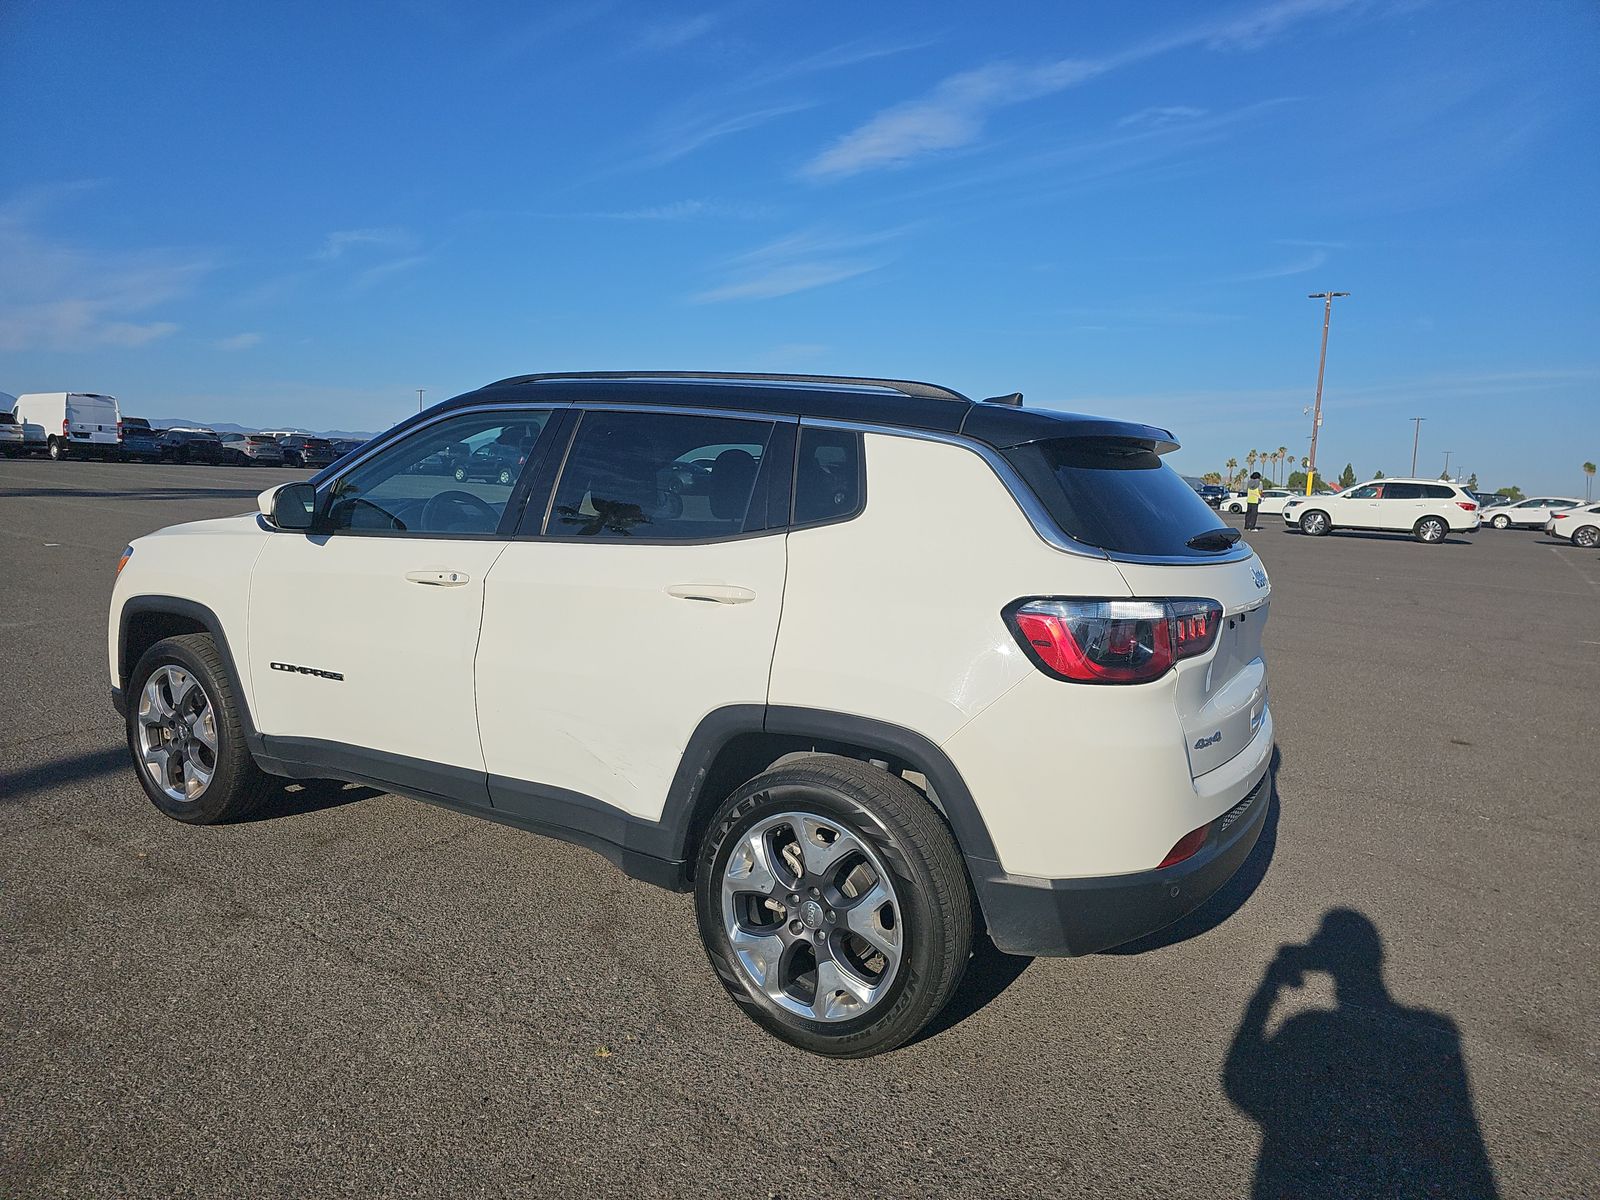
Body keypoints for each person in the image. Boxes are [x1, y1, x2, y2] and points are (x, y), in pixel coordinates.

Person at [1223, 910, 1499, 1198]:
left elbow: (1241, 1079)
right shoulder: (1435, 1031)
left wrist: (1272, 981)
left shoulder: (1308, 1027)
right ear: (1377, 957)